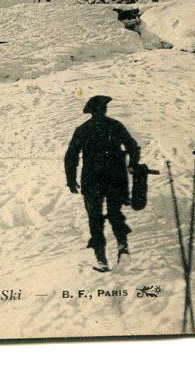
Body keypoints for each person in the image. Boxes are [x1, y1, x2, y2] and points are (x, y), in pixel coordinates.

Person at [64, 95, 141, 272]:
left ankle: (101, 258)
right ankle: (123, 247)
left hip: (92, 180)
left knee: (95, 218)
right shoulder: (115, 126)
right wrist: (132, 164)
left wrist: (71, 180)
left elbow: (71, 156)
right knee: (115, 213)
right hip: (116, 178)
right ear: (103, 110)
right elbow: (133, 147)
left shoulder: (83, 130)